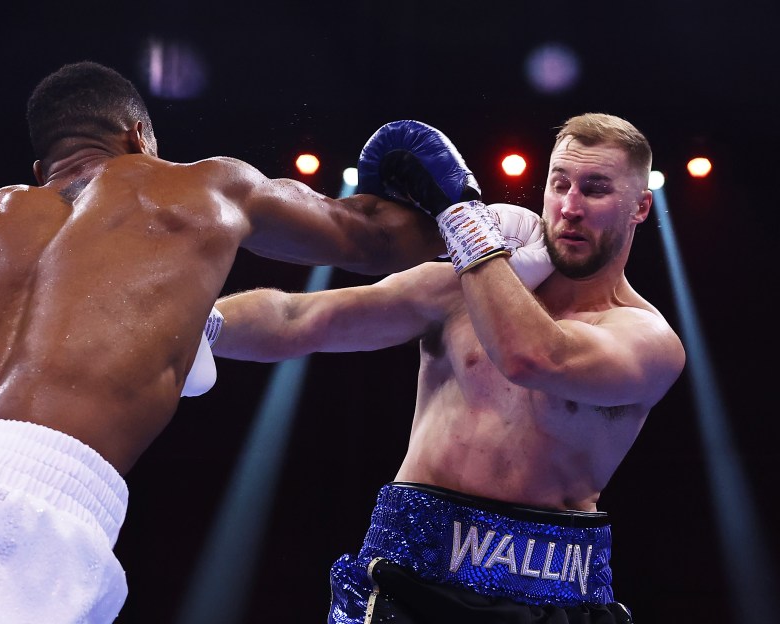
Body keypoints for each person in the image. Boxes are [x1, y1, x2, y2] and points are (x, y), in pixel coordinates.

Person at [0, 61, 447, 623]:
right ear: (138, 139)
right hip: (7, 523)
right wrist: (462, 205)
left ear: (41, 168)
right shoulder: (205, 186)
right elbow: (372, 238)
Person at [211, 114, 686, 622]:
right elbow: (299, 318)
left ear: (640, 206)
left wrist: (463, 222)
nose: (569, 207)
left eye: (595, 190)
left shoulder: (647, 340)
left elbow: (534, 355)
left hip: (556, 594)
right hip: (411, 581)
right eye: (559, 184)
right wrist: (190, 326)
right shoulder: (462, 290)